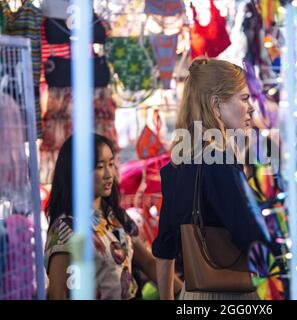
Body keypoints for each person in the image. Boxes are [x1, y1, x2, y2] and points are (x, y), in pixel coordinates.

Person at [152, 58, 266, 300]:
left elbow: (164, 250)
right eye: (243, 98)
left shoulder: (176, 165)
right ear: (216, 105)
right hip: (231, 294)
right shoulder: (220, 163)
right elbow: (252, 238)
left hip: (191, 295)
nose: (251, 108)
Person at [44, 134, 182, 299]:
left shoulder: (116, 216)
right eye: (99, 166)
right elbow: (57, 293)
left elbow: (149, 263)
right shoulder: (66, 228)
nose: (109, 174)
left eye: (111, 164)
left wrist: (186, 293)